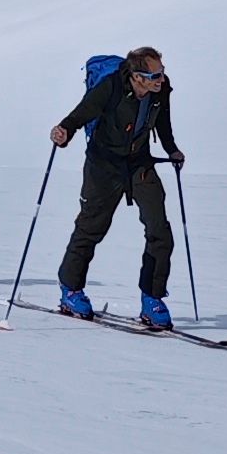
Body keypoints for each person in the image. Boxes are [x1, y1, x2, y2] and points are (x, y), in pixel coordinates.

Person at [51, 47, 185, 328]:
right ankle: (71, 290)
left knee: (159, 230)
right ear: (136, 77)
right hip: (103, 166)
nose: (161, 79)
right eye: (154, 75)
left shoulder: (161, 90)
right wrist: (63, 133)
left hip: (139, 164)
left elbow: (163, 124)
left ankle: (152, 298)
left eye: (162, 72)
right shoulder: (110, 87)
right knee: (91, 228)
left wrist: (172, 150)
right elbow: (78, 117)